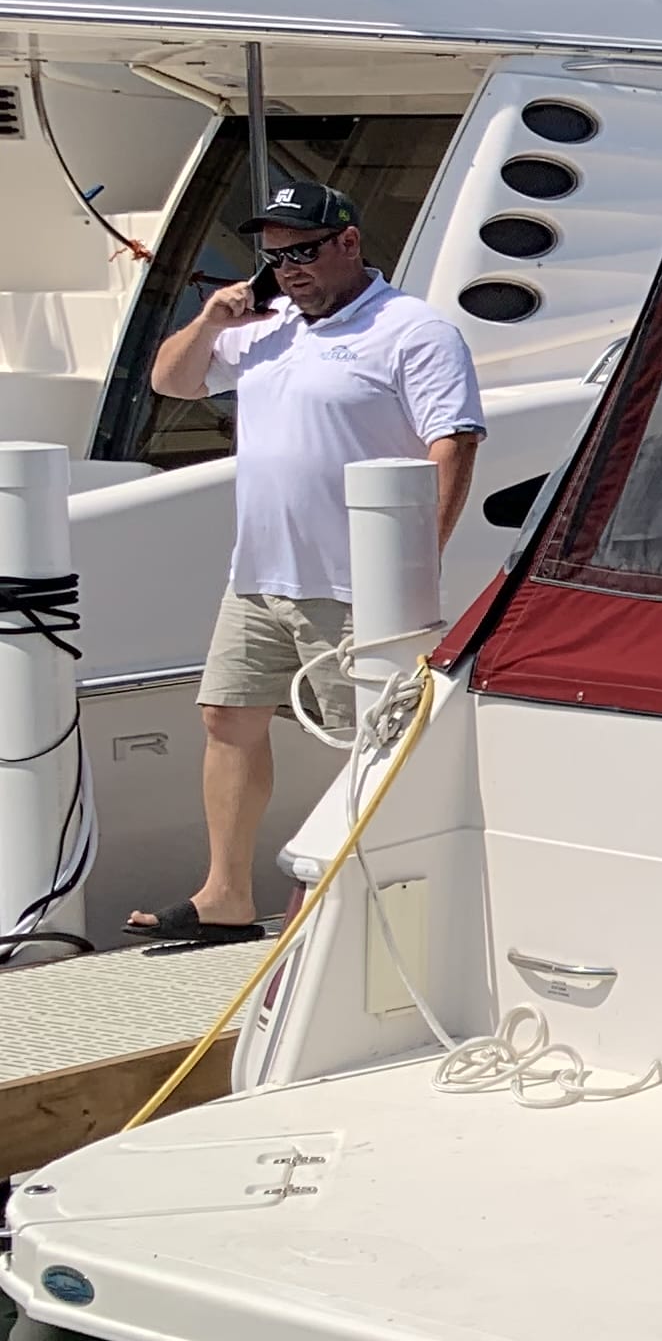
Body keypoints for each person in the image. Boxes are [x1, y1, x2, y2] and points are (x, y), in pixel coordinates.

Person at [125, 182, 483, 948]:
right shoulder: (265, 328)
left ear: (349, 243)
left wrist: (415, 569)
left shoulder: (412, 330)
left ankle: (382, 893)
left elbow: (452, 443)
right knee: (226, 717)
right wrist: (214, 317)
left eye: (304, 251)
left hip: (357, 583)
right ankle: (225, 894)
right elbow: (171, 381)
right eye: (275, 254)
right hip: (259, 575)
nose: (288, 268)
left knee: (374, 742)